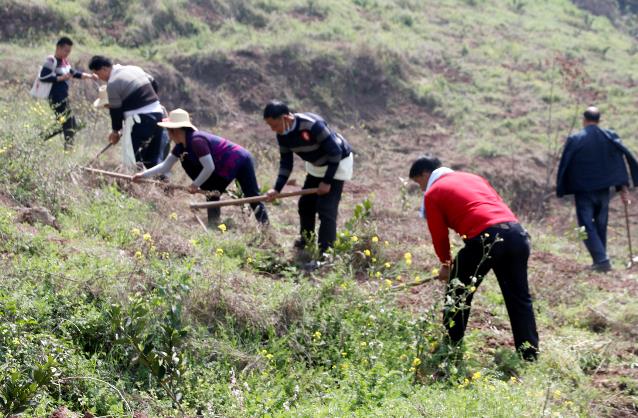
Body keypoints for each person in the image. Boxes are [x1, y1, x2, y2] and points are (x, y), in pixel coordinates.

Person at [409, 156, 539, 361]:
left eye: (419, 183)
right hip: (516, 234)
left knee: (457, 291)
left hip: (486, 238)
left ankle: (451, 348)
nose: (421, 188)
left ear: (425, 174)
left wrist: (445, 264)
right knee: (519, 298)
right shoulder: (474, 178)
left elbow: (439, 234)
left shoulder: (433, 192)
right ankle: (529, 355)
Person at [131, 108, 268, 226]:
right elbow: (165, 166)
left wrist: (195, 185)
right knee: (211, 191)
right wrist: (142, 175)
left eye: (169, 130)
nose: (168, 134)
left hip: (240, 160)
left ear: (175, 130)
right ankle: (214, 225)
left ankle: (266, 229)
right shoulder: (180, 147)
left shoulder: (197, 141)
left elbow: (209, 167)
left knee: (252, 196)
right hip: (223, 166)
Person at [263, 100, 353, 254]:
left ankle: (325, 252)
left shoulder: (312, 125)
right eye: (270, 126)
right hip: (316, 166)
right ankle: (307, 239)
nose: (273, 129)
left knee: (326, 209)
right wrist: (276, 189)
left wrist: (326, 182)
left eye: (274, 125)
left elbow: (335, 152)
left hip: (337, 163)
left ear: (286, 118)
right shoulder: (282, 135)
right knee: (305, 204)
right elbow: (286, 163)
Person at [556, 106, 638, 272]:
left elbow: (566, 163)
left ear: (584, 120)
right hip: (603, 191)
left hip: (584, 192)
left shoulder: (576, 138)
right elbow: (618, 162)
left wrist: (563, 187)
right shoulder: (609, 136)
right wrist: (622, 187)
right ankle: (601, 260)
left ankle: (601, 260)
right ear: (599, 120)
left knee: (584, 226)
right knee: (601, 224)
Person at [88, 55, 166, 169]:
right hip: (158, 115)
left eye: (98, 74)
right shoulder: (134, 69)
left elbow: (115, 110)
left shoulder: (113, 83)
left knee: (132, 160)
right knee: (152, 161)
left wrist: (115, 131)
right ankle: (160, 184)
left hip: (141, 120)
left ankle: (132, 185)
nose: (100, 78)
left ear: (104, 69)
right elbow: (153, 83)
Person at [39, 36, 98, 149]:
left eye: (69, 51)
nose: (67, 53)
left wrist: (90, 76)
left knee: (71, 124)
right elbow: (43, 77)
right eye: (66, 50)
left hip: (63, 97)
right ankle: (67, 149)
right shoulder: (51, 60)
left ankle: (41, 138)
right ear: (58, 48)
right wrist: (60, 78)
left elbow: (73, 73)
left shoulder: (64, 62)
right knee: (68, 124)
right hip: (56, 98)